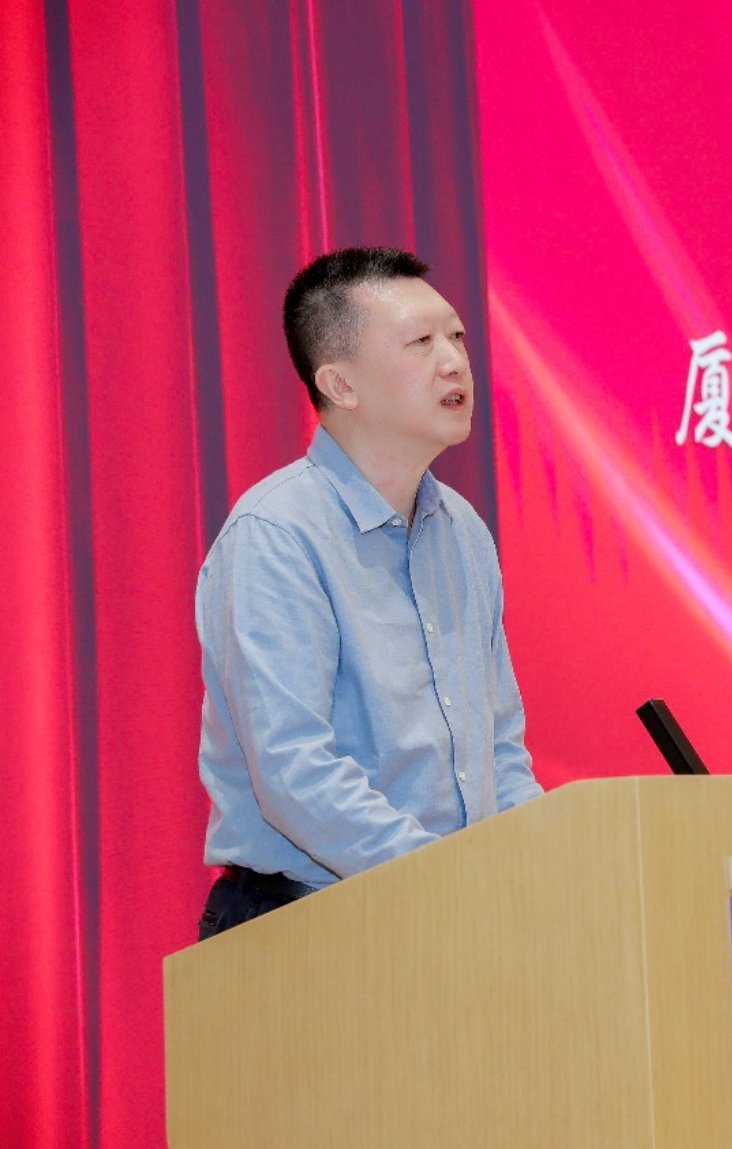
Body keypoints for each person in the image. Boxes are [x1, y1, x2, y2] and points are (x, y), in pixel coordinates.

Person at [193, 246, 542, 940]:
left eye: (457, 336)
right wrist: (452, 880)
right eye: (420, 342)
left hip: (452, 916)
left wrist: (540, 867)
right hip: (304, 924)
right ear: (340, 385)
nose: (454, 361)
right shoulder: (276, 534)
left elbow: (499, 750)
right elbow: (294, 771)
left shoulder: (463, 533)